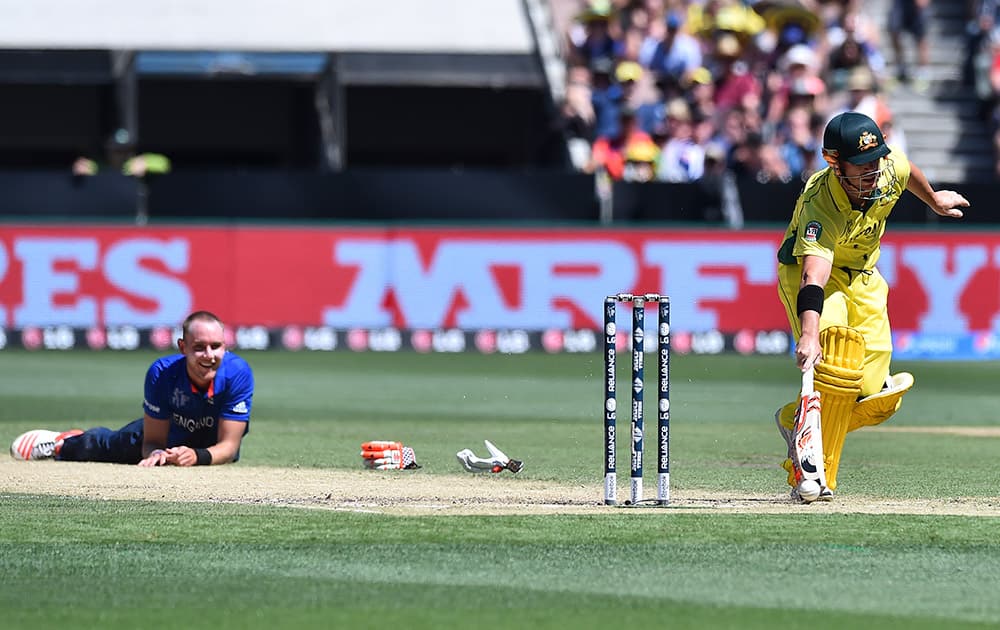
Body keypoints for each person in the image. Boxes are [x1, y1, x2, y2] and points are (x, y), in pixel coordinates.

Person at [773, 111, 969, 501]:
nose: (873, 172)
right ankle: (813, 475)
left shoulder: (887, 166)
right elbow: (815, 274)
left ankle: (795, 419)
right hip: (813, 276)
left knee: (876, 398)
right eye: (861, 166)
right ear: (835, 164)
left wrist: (933, 200)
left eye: (875, 160)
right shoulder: (820, 202)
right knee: (835, 365)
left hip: (864, 274)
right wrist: (809, 335)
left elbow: (904, 166)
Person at [9, 311, 253, 467]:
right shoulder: (162, 373)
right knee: (112, 446)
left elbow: (229, 448)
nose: (208, 355)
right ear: (183, 347)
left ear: (225, 347)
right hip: (169, 433)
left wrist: (196, 456)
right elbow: (153, 441)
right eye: (199, 347)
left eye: (216, 346)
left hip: (207, 441)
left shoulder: (238, 373)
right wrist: (157, 454)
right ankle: (64, 442)